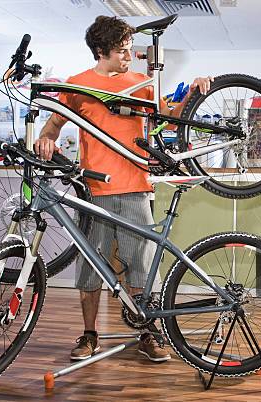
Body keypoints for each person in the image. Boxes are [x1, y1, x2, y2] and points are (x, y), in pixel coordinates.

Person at [34, 15, 212, 362]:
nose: (129, 57)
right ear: (100, 51)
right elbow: (53, 124)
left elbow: (170, 114)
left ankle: (147, 333)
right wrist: (44, 141)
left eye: (131, 50)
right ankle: (89, 335)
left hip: (135, 188)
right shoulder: (78, 85)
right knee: (90, 269)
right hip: (93, 192)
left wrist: (192, 90)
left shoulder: (141, 84)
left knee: (141, 267)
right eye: (121, 51)